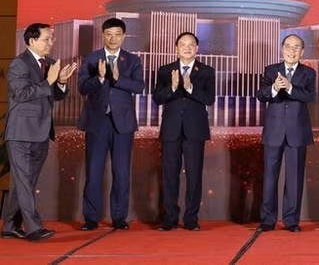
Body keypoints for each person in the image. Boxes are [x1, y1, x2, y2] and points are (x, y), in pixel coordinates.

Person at [1, 23, 76, 241]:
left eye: (52, 38)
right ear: (32, 41)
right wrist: (49, 81)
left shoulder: (51, 64)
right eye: (47, 39)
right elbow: (22, 93)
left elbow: (57, 96)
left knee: (27, 181)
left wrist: (60, 82)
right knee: (24, 181)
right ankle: (34, 228)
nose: (51, 42)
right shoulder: (19, 64)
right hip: (21, 133)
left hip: (42, 133)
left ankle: (10, 226)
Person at [78, 17, 144, 230]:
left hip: (122, 123)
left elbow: (139, 87)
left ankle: (119, 218)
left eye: (117, 34)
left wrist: (117, 78)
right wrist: (98, 78)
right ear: (103, 35)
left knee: (121, 171)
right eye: (109, 34)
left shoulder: (132, 60)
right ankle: (90, 218)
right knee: (94, 171)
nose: (113, 38)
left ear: (123, 36)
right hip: (97, 122)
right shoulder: (91, 58)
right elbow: (82, 87)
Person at [153, 32, 215, 231]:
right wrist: (172, 87)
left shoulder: (206, 71)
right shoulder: (165, 70)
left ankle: (191, 218)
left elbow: (209, 99)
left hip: (195, 129)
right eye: (182, 44)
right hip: (171, 129)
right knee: (169, 174)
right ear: (176, 48)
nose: (187, 48)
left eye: (191, 45)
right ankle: (170, 217)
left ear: (197, 48)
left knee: (194, 175)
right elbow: (157, 98)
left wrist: (190, 88)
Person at [256, 34, 316, 233]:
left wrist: (290, 87)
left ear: (302, 51)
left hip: (297, 132)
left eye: (296, 47)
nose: (291, 50)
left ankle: (291, 221)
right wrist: (274, 88)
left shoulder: (308, 73)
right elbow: (261, 94)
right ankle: (267, 219)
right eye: (288, 46)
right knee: (270, 177)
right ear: (282, 49)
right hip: (274, 131)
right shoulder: (271, 70)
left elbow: (309, 96)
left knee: (294, 178)